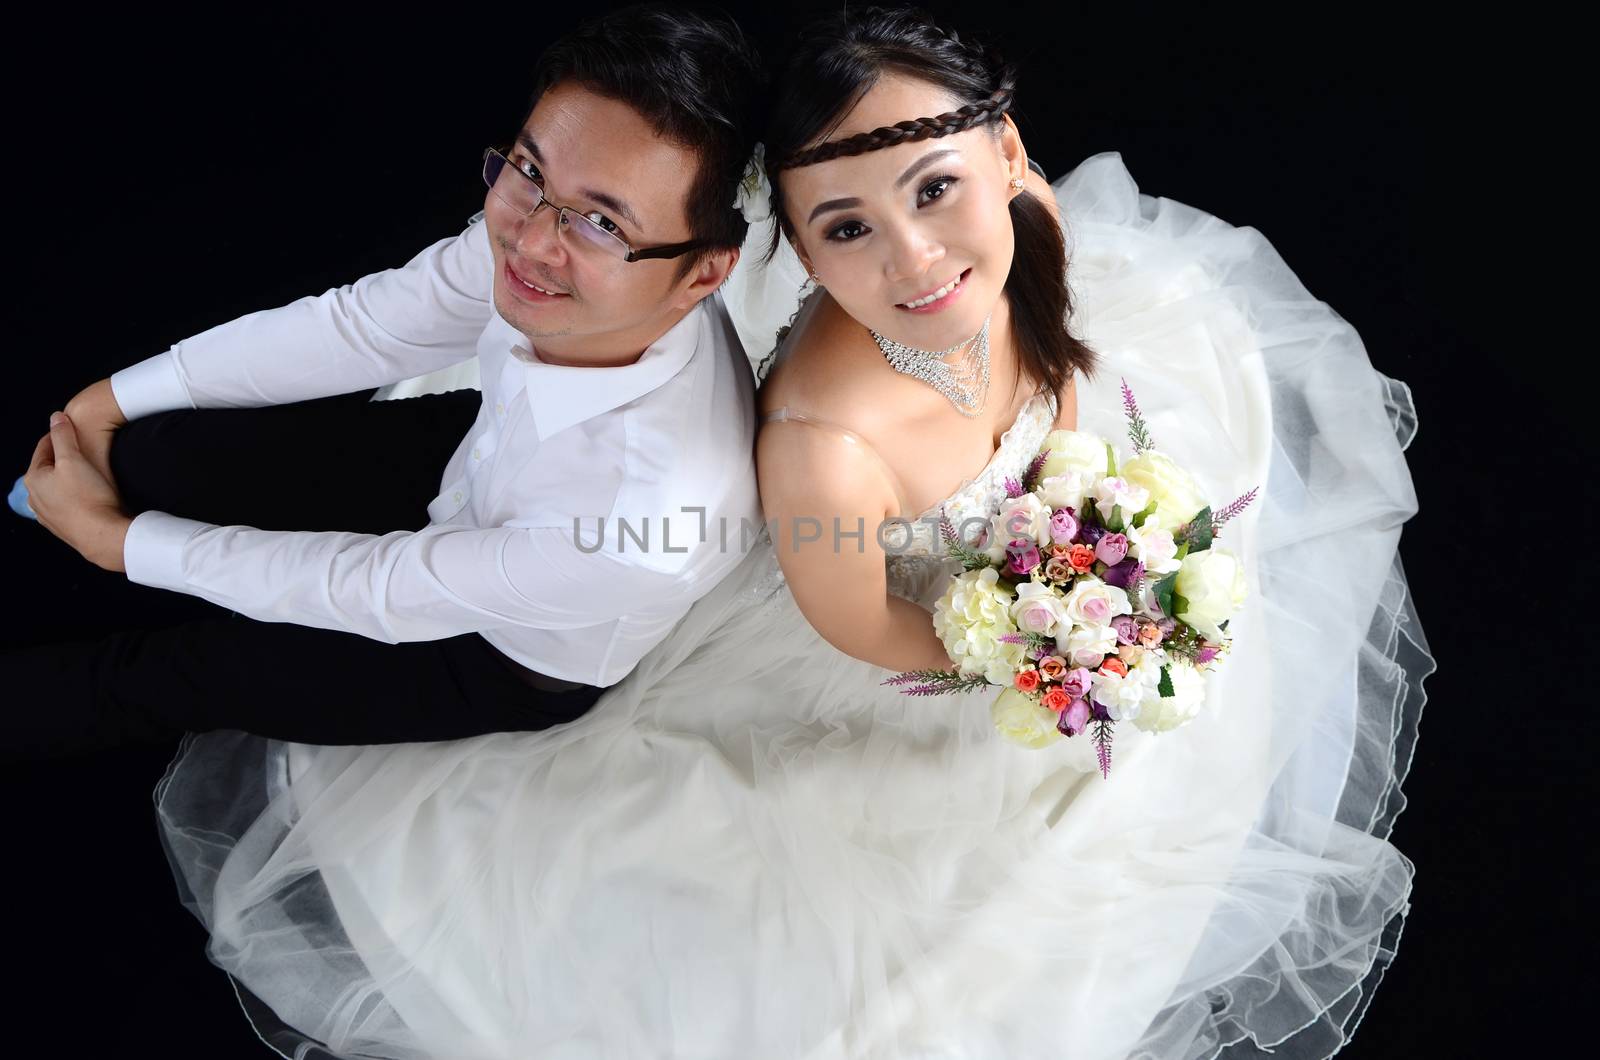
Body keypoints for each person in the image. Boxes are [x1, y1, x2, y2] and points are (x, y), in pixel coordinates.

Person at [153, 7, 1433, 1058]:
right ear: (799, 252)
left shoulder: (1021, 220)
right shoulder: (821, 445)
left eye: (938, 191)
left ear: (1007, 157)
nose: (918, 260)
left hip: (1027, 536)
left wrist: (1088, 539)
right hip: (883, 648)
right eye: (846, 231)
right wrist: (1044, 644)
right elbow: (866, 626)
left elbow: (1051, 351)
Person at [3, 5, 766, 757]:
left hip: (496, 647)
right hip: (466, 456)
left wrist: (122, 547)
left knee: (170, 674)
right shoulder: (550, 229)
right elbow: (361, 327)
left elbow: (377, 589)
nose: (531, 242)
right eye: (529, 171)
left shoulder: (642, 524)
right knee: (152, 453)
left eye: (601, 223)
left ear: (702, 273)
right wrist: (103, 399)